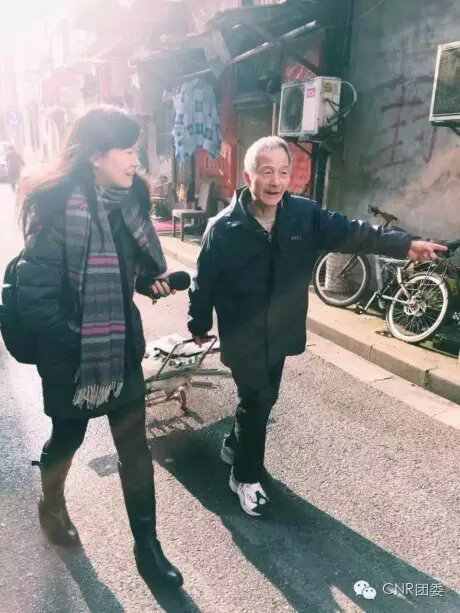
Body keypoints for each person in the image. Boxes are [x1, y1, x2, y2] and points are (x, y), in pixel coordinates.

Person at [188, 136, 447, 518]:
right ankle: (244, 476)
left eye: (283, 172)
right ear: (248, 176)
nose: (275, 181)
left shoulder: (303, 215)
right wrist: (198, 322)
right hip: (242, 335)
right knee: (257, 400)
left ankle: (235, 442)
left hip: (281, 330)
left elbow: (353, 232)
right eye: (266, 172)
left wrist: (405, 245)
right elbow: (203, 281)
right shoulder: (223, 228)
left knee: (262, 400)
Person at [17, 106, 183, 588]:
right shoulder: (55, 207)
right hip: (72, 357)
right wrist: (79, 342)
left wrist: (148, 283)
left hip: (121, 347)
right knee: (66, 440)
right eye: (127, 151)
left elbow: (126, 273)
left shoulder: (129, 203)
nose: (136, 162)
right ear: (94, 155)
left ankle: (148, 548)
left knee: (135, 448)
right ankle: (52, 505)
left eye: (136, 151)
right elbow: (36, 298)